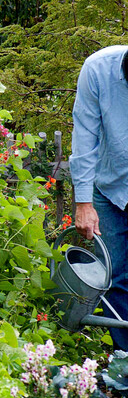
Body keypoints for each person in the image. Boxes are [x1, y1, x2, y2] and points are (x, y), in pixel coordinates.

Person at [70, 44, 128, 351]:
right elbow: (84, 138)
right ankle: (125, 361)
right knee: (115, 277)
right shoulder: (98, 70)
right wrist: (84, 203)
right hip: (110, 188)